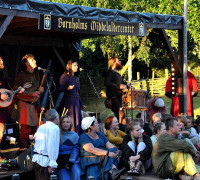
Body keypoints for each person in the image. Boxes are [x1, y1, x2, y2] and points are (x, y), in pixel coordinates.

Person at [13, 54, 43, 151]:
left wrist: (40, 90)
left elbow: (36, 89)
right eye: (31, 60)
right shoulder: (22, 75)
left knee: (34, 127)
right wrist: (32, 94)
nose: (34, 61)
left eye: (34, 59)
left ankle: (31, 147)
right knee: (26, 127)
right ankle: (22, 148)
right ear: (26, 63)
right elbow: (16, 90)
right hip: (25, 103)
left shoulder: (36, 74)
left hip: (34, 104)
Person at [0, 57, 24, 156]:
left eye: (1, 60)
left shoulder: (2, 76)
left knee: (1, 132)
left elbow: (9, 91)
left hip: (2, 110)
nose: (2, 62)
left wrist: (17, 90)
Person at [59, 60, 86, 135]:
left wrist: (82, 103)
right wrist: (67, 88)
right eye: (74, 65)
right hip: (69, 102)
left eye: (77, 65)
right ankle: (71, 135)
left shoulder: (75, 78)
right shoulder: (64, 76)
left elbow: (77, 92)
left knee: (77, 119)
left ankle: (78, 135)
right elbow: (60, 88)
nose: (76, 67)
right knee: (71, 119)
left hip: (76, 102)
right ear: (69, 66)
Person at [32, 109, 60, 180]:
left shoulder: (41, 127)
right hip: (44, 162)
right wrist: (52, 163)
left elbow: (35, 138)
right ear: (56, 117)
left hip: (36, 160)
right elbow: (52, 146)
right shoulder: (54, 128)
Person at [57, 115, 80, 180]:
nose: (65, 124)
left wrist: (71, 161)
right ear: (61, 123)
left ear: (70, 123)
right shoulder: (58, 134)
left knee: (77, 173)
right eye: (63, 122)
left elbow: (76, 149)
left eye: (67, 122)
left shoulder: (74, 135)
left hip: (72, 160)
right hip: (61, 161)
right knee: (64, 177)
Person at [104, 56, 127, 122]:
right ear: (113, 63)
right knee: (120, 114)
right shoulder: (109, 72)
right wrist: (118, 86)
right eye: (118, 61)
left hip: (119, 96)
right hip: (113, 96)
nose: (120, 62)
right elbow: (107, 83)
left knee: (120, 114)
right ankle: (119, 128)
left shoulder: (117, 74)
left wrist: (128, 87)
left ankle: (119, 128)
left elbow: (123, 84)